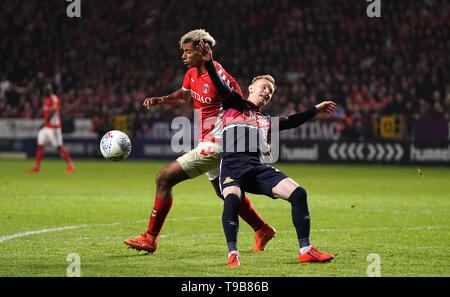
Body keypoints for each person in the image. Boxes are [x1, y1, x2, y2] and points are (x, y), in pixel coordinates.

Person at [124, 29, 275, 253]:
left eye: (187, 52)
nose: (183, 56)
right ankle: (262, 229)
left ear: (201, 49)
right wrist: (161, 100)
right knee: (223, 192)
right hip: (208, 141)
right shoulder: (192, 73)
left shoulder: (220, 79)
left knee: (164, 178)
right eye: (182, 52)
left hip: (219, 143)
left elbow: (243, 108)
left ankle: (150, 238)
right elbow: (184, 95)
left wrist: (258, 138)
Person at [198, 41, 336, 266]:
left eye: (270, 91)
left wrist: (316, 109)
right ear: (251, 88)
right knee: (231, 199)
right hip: (232, 167)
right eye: (264, 87)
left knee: (299, 193)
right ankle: (233, 254)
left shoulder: (265, 121)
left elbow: (292, 121)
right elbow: (219, 84)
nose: (267, 92)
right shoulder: (234, 104)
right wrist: (209, 61)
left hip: (256, 169)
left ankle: (306, 250)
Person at [27, 84, 76, 174]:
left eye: (47, 90)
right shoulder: (45, 99)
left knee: (59, 146)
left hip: (54, 127)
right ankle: (36, 167)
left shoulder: (54, 99)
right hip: (46, 127)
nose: (46, 92)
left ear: (50, 90)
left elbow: (54, 111)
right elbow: (45, 112)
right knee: (40, 144)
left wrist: (45, 122)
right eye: (45, 90)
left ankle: (71, 166)